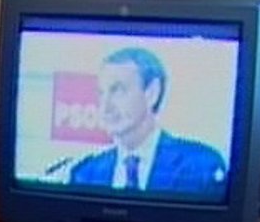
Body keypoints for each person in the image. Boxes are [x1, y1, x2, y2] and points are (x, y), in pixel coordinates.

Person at [68, 46, 227, 194]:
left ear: (152, 93)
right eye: (101, 93)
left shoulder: (201, 167)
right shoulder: (86, 174)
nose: (105, 107)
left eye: (118, 91)